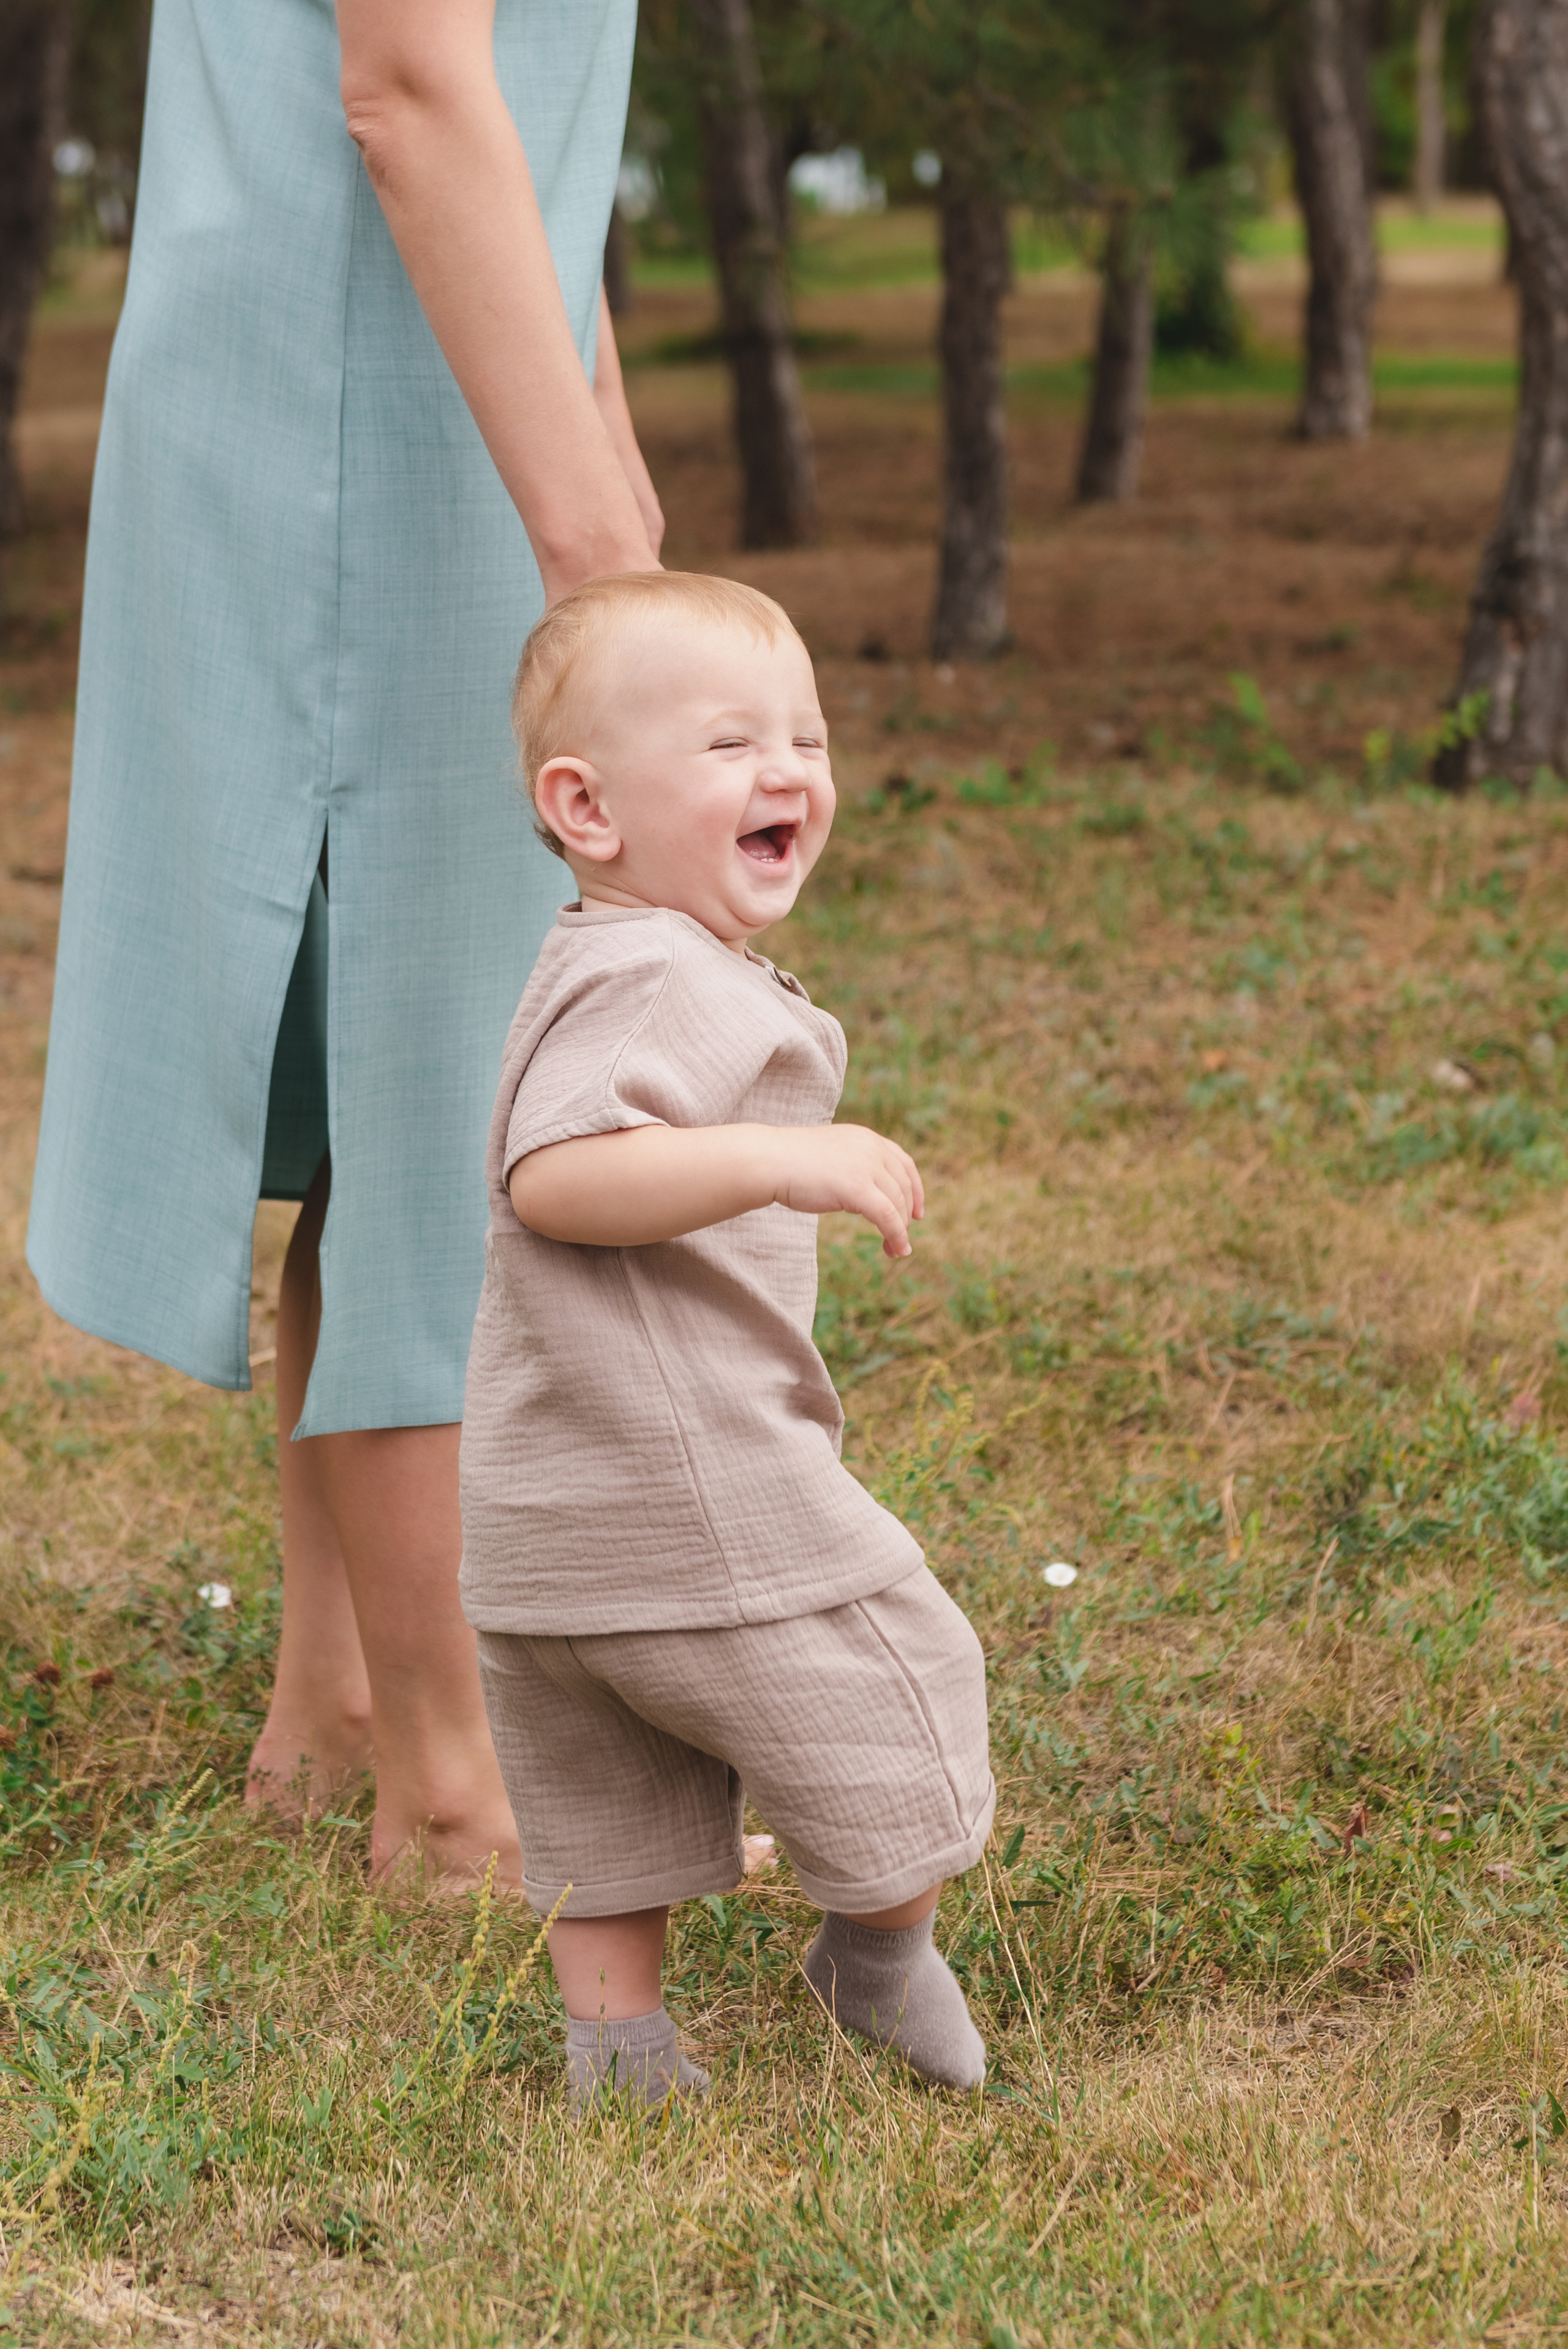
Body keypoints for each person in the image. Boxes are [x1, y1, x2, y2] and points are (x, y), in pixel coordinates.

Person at [26, 0, 662, 1885]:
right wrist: (591, 552)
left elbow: (519, 147)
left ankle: (343, 1711)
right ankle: (460, 1797)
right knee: (451, 1114)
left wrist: (610, 476)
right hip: (363, 442)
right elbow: (408, 87)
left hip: (388, 402)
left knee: (387, 1095)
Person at [459, 570, 995, 2105]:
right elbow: (556, 1177)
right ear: (587, 804)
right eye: (729, 745)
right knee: (899, 1676)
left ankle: (617, 2050)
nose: (788, 772)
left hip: (545, 1503)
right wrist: (783, 1159)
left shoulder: (601, 955)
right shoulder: (656, 978)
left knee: (602, 1784)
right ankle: (875, 1955)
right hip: (692, 1492)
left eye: (806, 738)